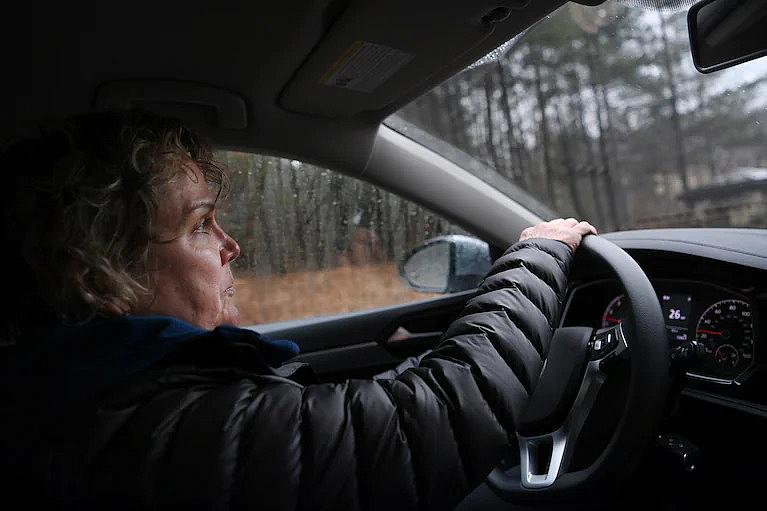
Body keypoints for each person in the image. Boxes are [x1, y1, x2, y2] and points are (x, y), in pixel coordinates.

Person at [0, 110, 597, 510]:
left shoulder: (91, 392)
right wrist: (539, 250)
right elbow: (433, 424)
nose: (232, 246)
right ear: (103, 271)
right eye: (200, 225)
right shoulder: (155, 424)